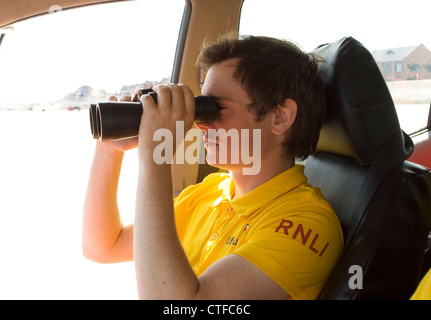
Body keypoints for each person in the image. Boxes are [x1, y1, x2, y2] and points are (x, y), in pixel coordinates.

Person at [83, 34, 343, 300]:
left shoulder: (307, 222)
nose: (200, 123)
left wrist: (155, 156)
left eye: (216, 107)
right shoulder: (210, 193)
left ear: (280, 117)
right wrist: (109, 150)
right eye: (201, 107)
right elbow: (103, 246)